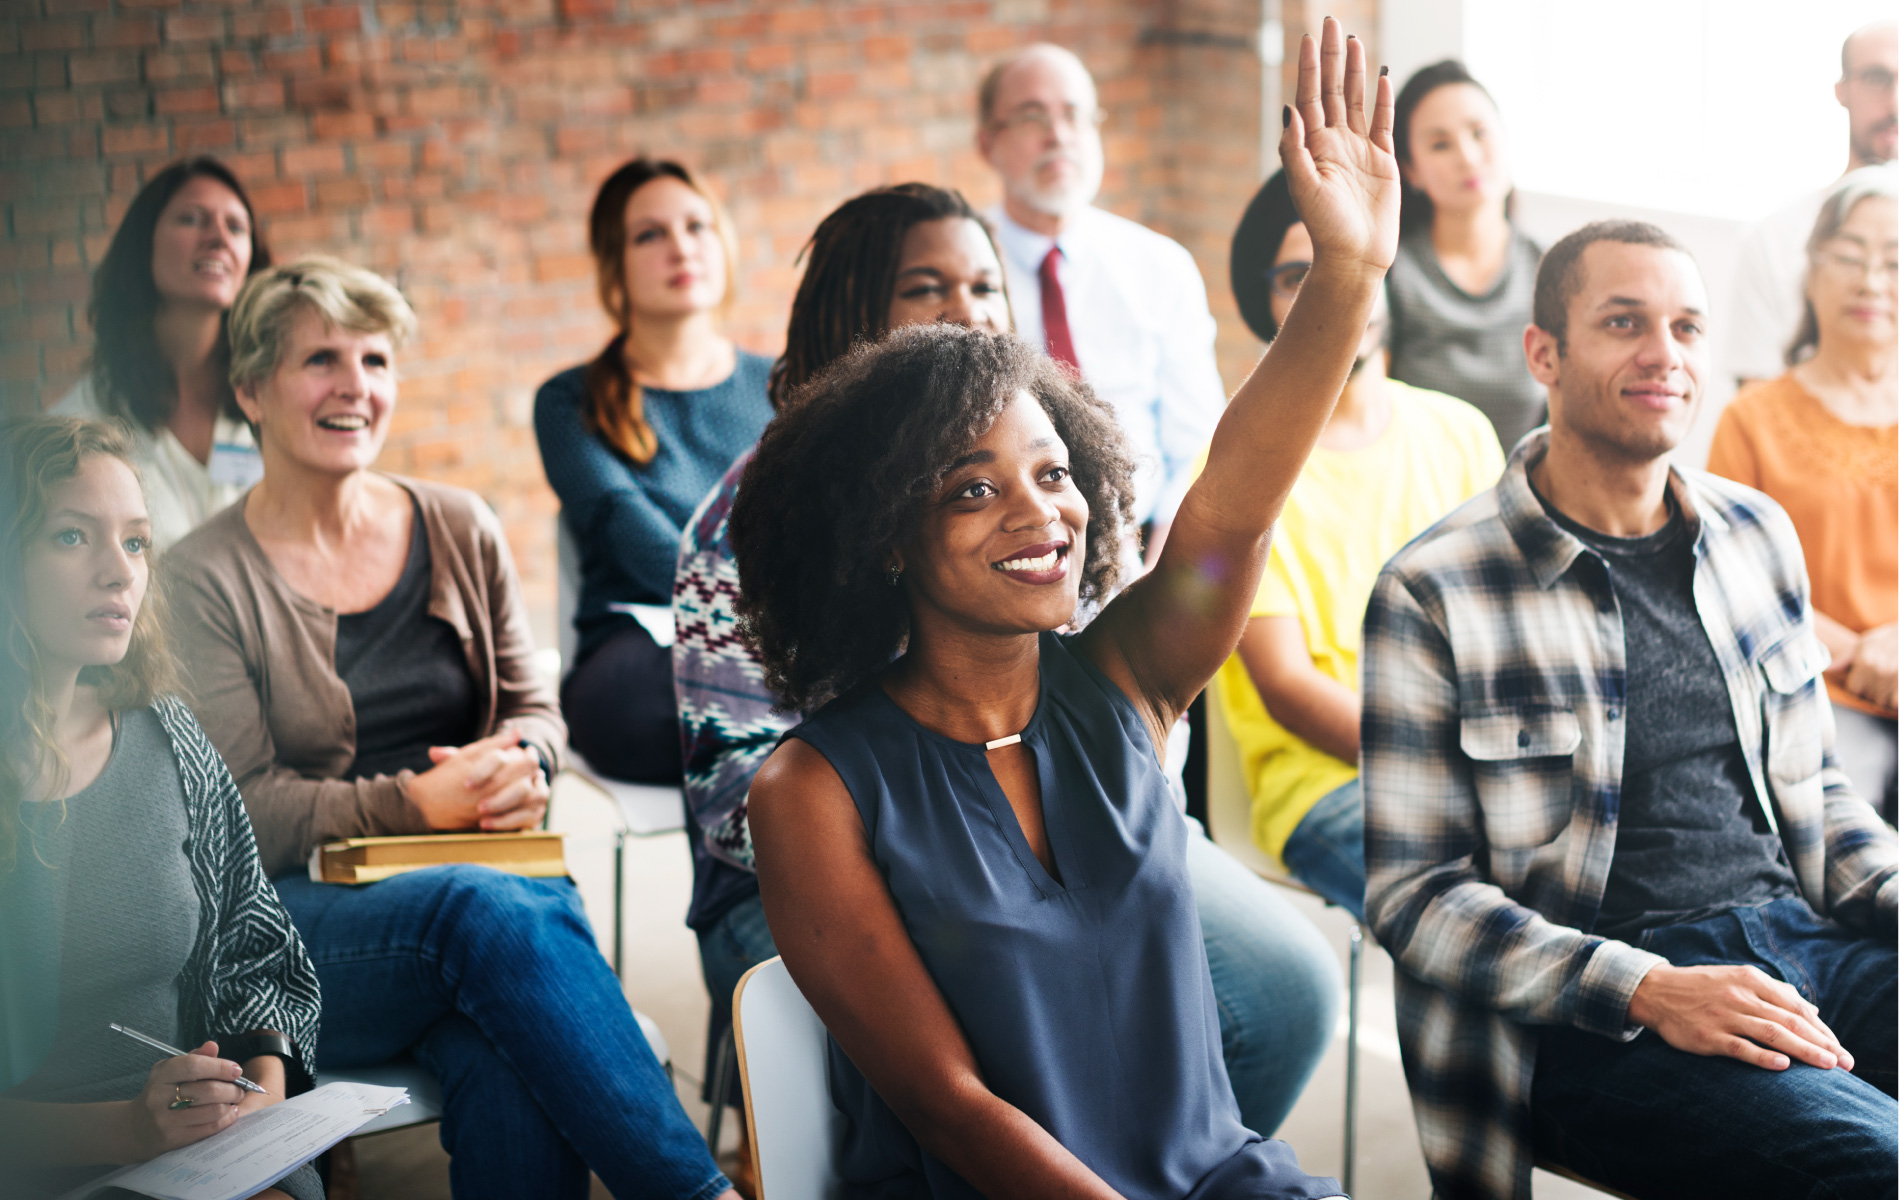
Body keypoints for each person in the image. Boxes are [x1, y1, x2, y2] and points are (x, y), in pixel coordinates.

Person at [730, 22, 1389, 1197]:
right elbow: (953, 1107)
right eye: (971, 490)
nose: (1038, 515)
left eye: (1052, 472)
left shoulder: (1126, 683)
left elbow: (1229, 513)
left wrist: (1345, 277)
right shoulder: (814, 791)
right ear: (884, 535)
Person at [164, 258, 735, 1200]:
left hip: (483, 906)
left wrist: (527, 759)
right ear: (251, 390)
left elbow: (532, 704)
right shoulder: (202, 578)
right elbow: (240, 815)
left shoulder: (459, 524)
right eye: (322, 361)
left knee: (500, 1043)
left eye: (376, 360)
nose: (356, 386)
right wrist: (409, 804)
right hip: (292, 934)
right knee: (486, 909)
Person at [1362, 219, 1899, 1200]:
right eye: (1623, 323)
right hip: (1595, 1013)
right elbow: (1416, 897)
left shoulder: (1754, 535)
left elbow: (1815, 789)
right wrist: (1648, 989)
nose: (1664, 355)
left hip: (1802, 935)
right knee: (1881, 1167)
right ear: (1544, 354)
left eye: (1687, 328)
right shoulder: (1434, 589)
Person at [0, 417, 321, 1200]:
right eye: (73, 537)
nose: (119, 573)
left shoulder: (165, 733)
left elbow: (257, 951)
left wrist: (262, 1102)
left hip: (198, 1157)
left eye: (136, 542)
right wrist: (129, 1131)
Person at [1216, 169, 1504, 919]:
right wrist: (1452, 766)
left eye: (1349, 263)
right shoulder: (1238, 471)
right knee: (1488, 919)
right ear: (1263, 304)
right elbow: (1286, 688)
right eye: (1295, 275)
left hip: (1479, 763)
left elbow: (1511, 624)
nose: (1332, 289)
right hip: (1329, 788)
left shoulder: (1460, 431)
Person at [535, 158, 774, 785]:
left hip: (780, 632)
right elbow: (628, 531)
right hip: (645, 650)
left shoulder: (783, 385)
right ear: (614, 263)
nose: (680, 247)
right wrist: (758, 617)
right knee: (714, 698)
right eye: (650, 234)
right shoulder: (569, 401)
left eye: (696, 226)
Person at [974, 42, 1225, 558]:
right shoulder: (963, 271)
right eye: (1030, 116)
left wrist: (1165, 561)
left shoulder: (1161, 265)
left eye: (1074, 115)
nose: (1058, 135)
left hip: (1143, 547)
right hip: (1006, 547)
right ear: (987, 143)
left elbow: (1200, 445)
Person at [1710, 166, 1897, 820]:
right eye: (1850, 257)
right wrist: (1861, 654)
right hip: (1814, 692)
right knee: (1846, 843)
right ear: (1811, 273)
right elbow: (1728, 578)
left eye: (1894, 261)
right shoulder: (1753, 417)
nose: (1872, 281)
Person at [53, 157, 272, 554]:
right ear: (144, 245)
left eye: (236, 226)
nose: (219, 238)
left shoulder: (275, 397)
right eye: (192, 219)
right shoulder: (81, 420)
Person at [1386, 60, 1545, 453]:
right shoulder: (1392, 274)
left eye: (1479, 133)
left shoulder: (1549, 272)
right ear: (1411, 170)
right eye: (1440, 144)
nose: (1469, 157)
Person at [1729, 23, 1897, 390]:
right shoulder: (1775, 239)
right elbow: (1758, 415)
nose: (1895, 101)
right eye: (1876, 78)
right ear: (1842, 90)